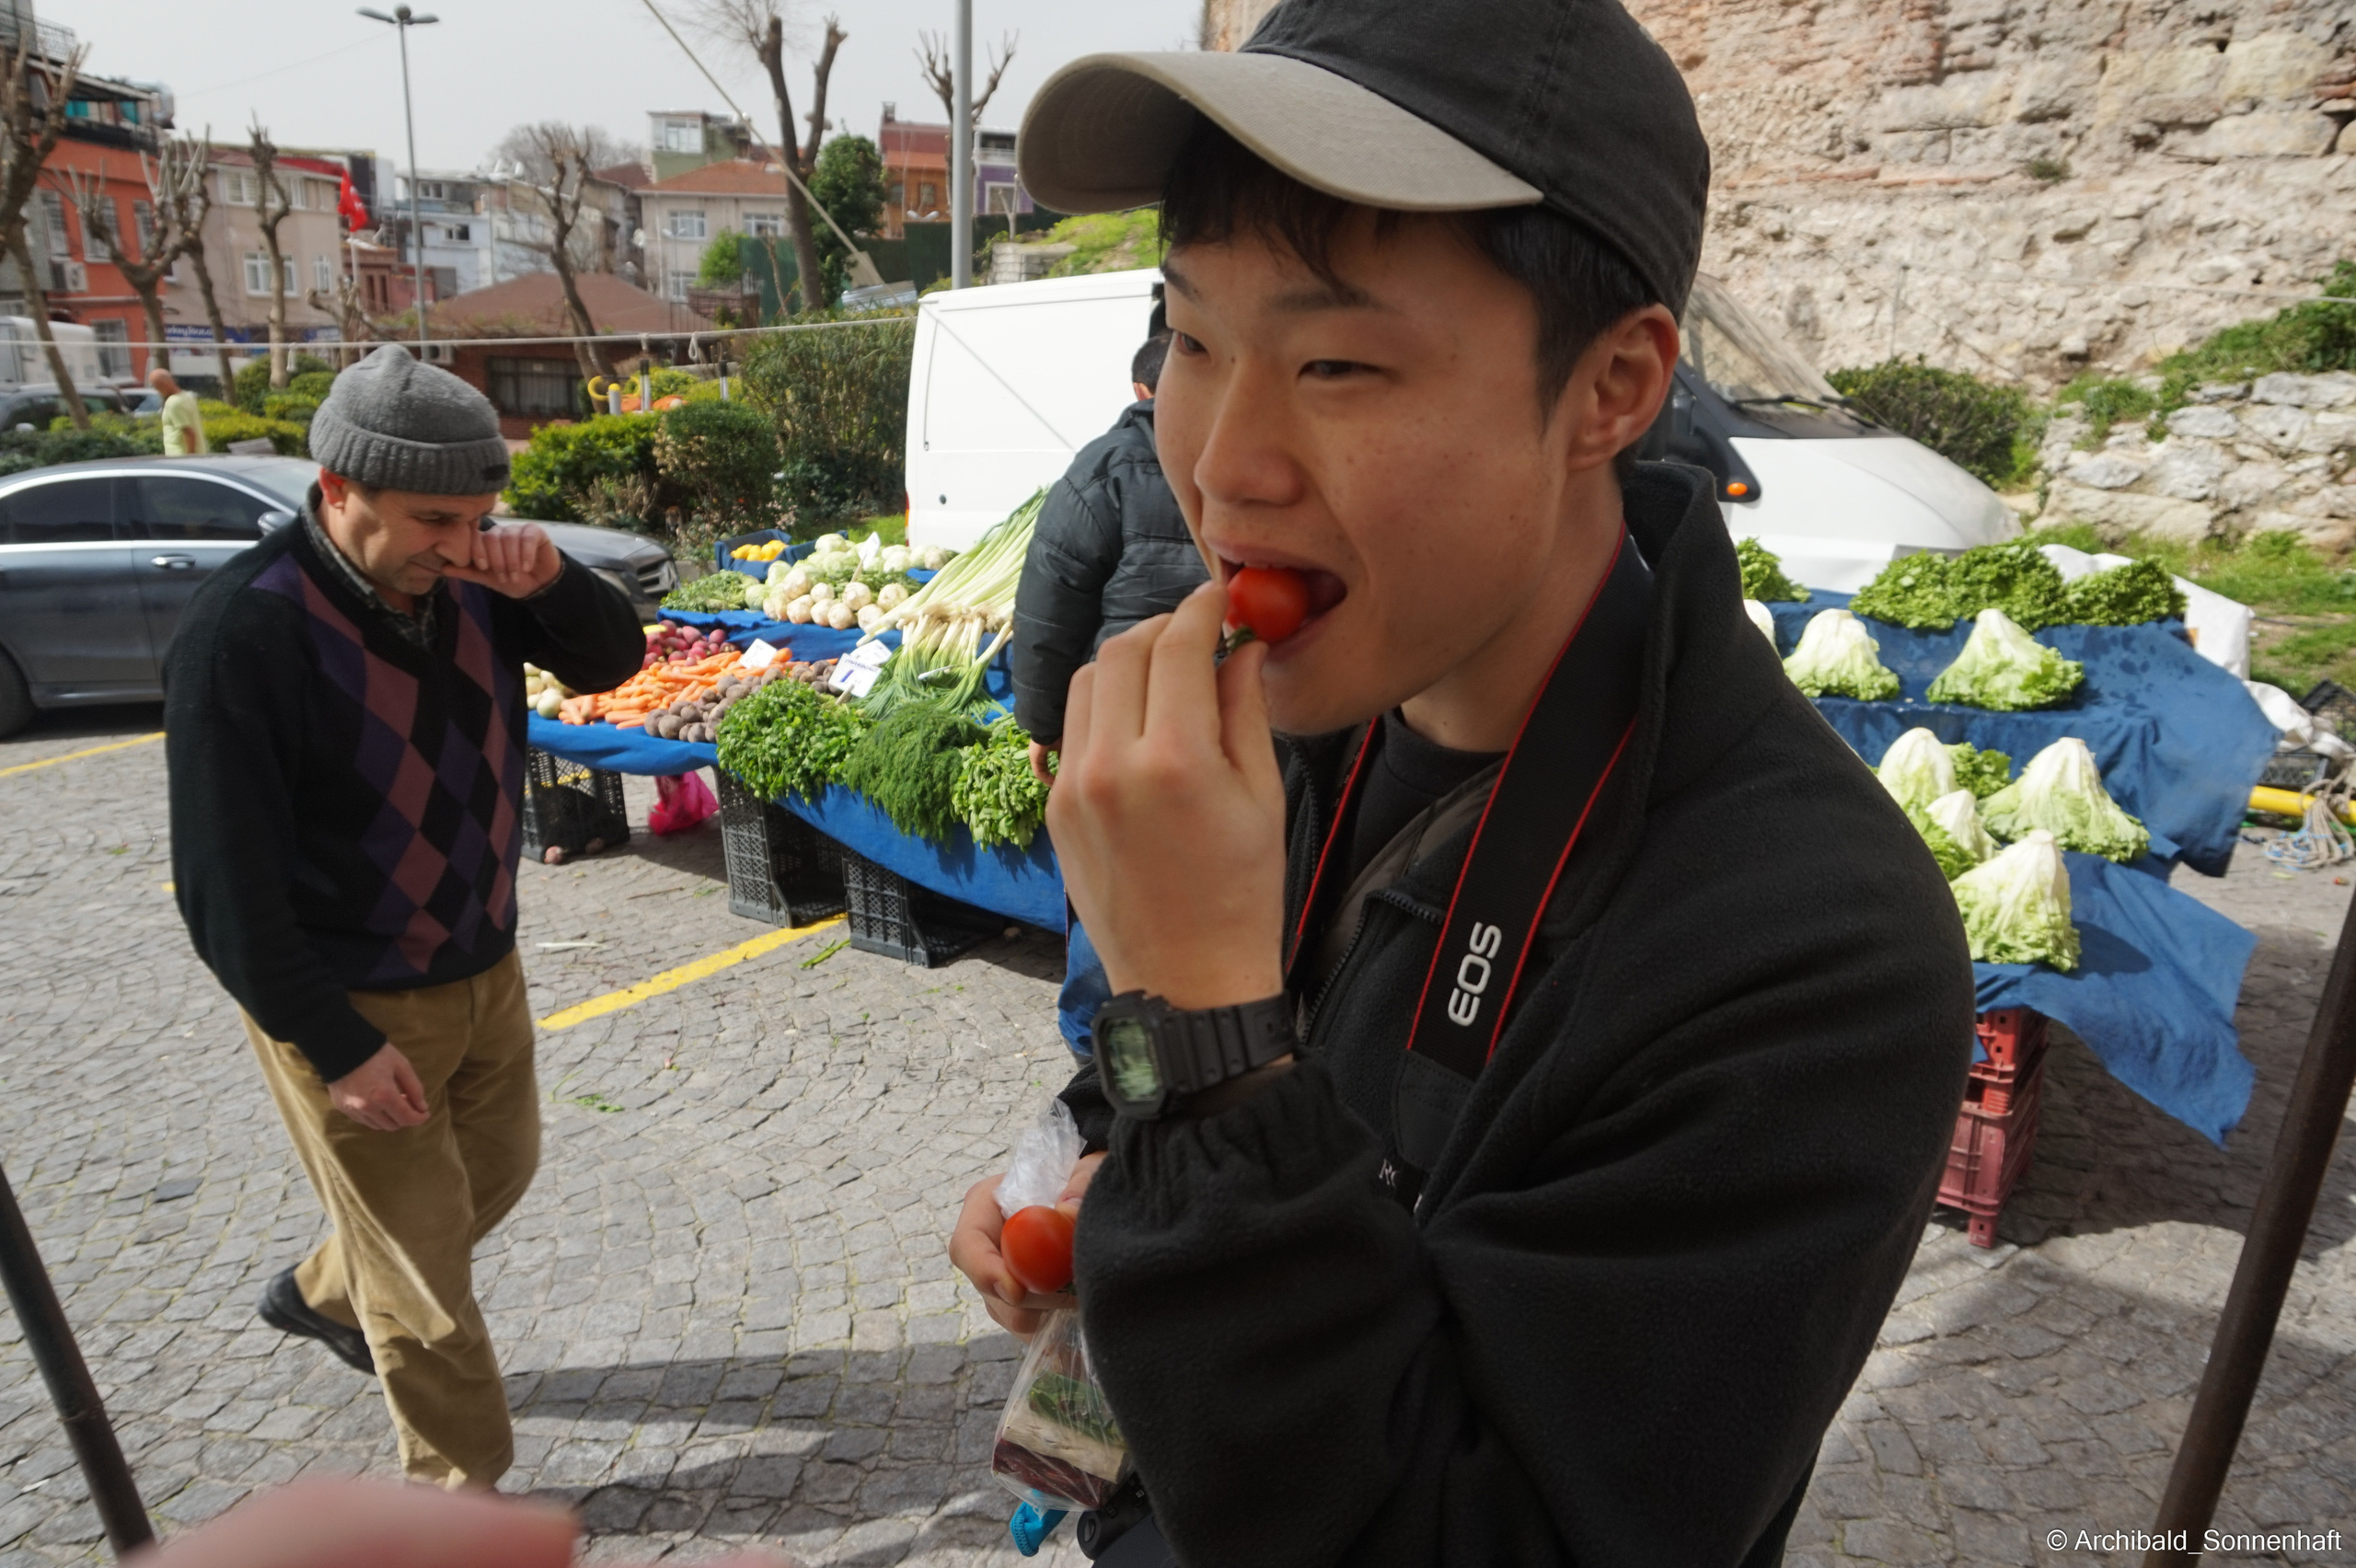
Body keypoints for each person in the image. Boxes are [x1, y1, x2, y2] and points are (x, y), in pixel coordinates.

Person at [949, 2, 1978, 1564]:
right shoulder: (1291, 725)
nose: (1225, 463)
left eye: (1339, 361)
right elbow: (1147, 1084)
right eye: (1190, 338)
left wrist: (1208, 1045)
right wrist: (1110, 1166)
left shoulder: (1809, 951)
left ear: (1613, 389)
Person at [163, 344, 643, 1489]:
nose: (461, 540)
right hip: (351, 994)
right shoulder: (245, 633)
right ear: (337, 489)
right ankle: (460, 1508)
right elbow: (222, 889)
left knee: (500, 1170)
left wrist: (551, 581)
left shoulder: (471, 582)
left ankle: (325, 1288)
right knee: (427, 1285)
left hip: (484, 962)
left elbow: (612, 660)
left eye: (479, 514)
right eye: (434, 516)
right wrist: (336, 1047)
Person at [1008, 318, 1207, 1056]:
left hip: (1129, 723)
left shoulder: (1107, 467)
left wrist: (1043, 722)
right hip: (1235, 722)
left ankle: (1099, 1056)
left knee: (1110, 885)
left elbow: (1046, 608)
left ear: (1139, 391)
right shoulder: (1242, 449)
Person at [149, 366, 205, 455]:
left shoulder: (173, 403)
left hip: (180, 455)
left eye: (155, 386)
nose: (156, 390)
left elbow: (188, 432)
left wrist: (189, 458)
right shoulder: (188, 397)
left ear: (162, 384)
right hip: (198, 453)